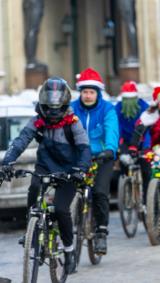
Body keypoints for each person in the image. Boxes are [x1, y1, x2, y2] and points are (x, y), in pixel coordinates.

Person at [1, 77, 91, 274]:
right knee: (33, 188)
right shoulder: (37, 121)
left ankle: (68, 251)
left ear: (64, 105)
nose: (52, 112)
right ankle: (31, 231)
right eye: (48, 107)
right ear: (43, 105)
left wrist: (81, 169)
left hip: (69, 171)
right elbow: (21, 139)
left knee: (60, 209)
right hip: (44, 166)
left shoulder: (73, 123)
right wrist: (6, 161)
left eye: (56, 108)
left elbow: (84, 149)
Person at [71, 68, 119, 255]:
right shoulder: (72, 108)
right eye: (84, 92)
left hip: (102, 156)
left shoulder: (107, 108)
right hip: (78, 156)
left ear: (97, 92)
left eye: (91, 92)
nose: (88, 95)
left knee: (100, 192)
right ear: (80, 92)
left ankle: (101, 232)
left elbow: (111, 129)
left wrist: (110, 149)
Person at [115, 81, 151, 191]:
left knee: (146, 168)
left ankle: (146, 200)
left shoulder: (144, 107)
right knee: (124, 164)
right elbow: (117, 128)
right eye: (127, 100)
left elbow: (148, 128)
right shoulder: (118, 108)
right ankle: (125, 190)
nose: (129, 103)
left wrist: (146, 146)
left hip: (142, 141)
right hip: (125, 141)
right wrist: (119, 146)